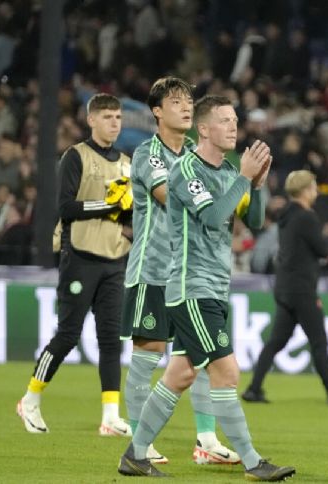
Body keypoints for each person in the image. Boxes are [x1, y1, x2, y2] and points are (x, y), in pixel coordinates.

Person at [117, 95, 295, 481]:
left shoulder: (230, 173)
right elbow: (215, 217)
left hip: (214, 288)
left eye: (235, 120)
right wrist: (245, 177)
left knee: (179, 375)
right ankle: (252, 462)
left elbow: (257, 221)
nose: (234, 127)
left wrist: (258, 185)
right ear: (204, 129)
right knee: (226, 371)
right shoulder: (185, 170)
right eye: (225, 120)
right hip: (190, 287)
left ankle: (134, 455)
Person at [120, 77, 240, 465]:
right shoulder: (147, 155)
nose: (186, 107)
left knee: (201, 355)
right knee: (149, 352)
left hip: (191, 273)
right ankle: (141, 442)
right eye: (175, 102)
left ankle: (206, 440)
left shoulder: (195, 152)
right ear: (157, 111)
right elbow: (175, 199)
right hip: (153, 269)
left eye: (189, 101)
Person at [17, 93, 132, 436]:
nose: (115, 122)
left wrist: (128, 220)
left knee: (111, 340)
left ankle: (110, 417)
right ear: (91, 120)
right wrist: (108, 206)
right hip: (79, 257)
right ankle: (30, 399)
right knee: (68, 335)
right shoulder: (75, 156)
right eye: (108, 116)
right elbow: (66, 208)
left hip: (114, 260)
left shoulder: (127, 162)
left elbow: (129, 212)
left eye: (118, 117)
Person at [241, 169, 328, 406]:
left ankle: (254, 389)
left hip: (285, 286)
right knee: (319, 341)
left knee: (276, 341)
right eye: (314, 186)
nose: (316, 191)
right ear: (306, 190)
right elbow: (321, 248)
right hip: (302, 289)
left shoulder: (286, 215)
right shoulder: (306, 216)